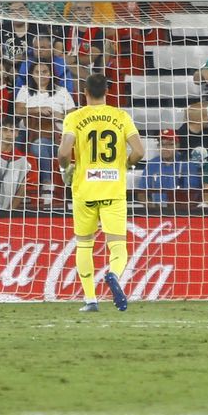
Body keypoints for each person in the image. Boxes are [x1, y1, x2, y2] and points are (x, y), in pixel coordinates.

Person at [57, 73, 144, 313]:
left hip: (84, 189)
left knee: (84, 244)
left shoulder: (74, 117)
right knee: (117, 244)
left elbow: (63, 153)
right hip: (113, 189)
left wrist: (65, 169)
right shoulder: (121, 117)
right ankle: (113, 274)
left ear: (84, 92)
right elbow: (139, 151)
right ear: (107, 92)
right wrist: (126, 164)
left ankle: (90, 300)